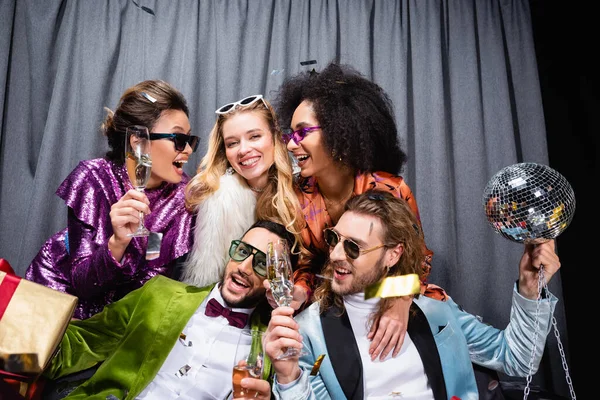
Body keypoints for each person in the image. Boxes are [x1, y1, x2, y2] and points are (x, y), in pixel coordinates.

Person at [264, 190, 560, 399]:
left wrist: (530, 289)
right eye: (333, 239)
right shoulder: (308, 331)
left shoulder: (437, 311)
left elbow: (518, 359)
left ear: (393, 255)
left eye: (354, 246)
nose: (337, 254)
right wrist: (289, 377)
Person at [273, 61, 446, 360]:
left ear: (341, 133)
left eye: (302, 133)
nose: (291, 144)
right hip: (333, 306)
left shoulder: (388, 190)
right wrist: (299, 290)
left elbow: (418, 262)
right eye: (291, 134)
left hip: (383, 306)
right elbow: (308, 263)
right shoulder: (298, 194)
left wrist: (397, 300)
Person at [43, 219, 293, 400]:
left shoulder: (270, 353)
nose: (244, 267)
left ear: (276, 279)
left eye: (262, 264)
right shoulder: (160, 293)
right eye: (242, 252)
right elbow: (81, 343)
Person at [25, 79, 199, 319]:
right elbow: (83, 284)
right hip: (56, 298)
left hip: (119, 318)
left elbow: (153, 272)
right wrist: (117, 243)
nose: (188, 150)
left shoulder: (181, 197)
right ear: (138, 142)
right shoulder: (94, 178)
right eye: (179, 140)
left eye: (191, 140)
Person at [180, 94, 303, 289]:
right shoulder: (220, 198)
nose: (243, 150)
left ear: (275, 137)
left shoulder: (302, 187)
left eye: (254, 136)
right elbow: (205, 281)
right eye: (232, 143)